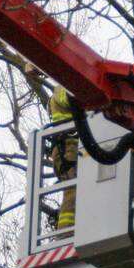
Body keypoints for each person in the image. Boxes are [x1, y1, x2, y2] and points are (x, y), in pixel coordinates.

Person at [48, 85, 79, 229]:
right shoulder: (62, 88)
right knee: (73, 188)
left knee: (77, 188)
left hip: (69, 148)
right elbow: (74, 98)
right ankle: (66, 231)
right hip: (67, 149)